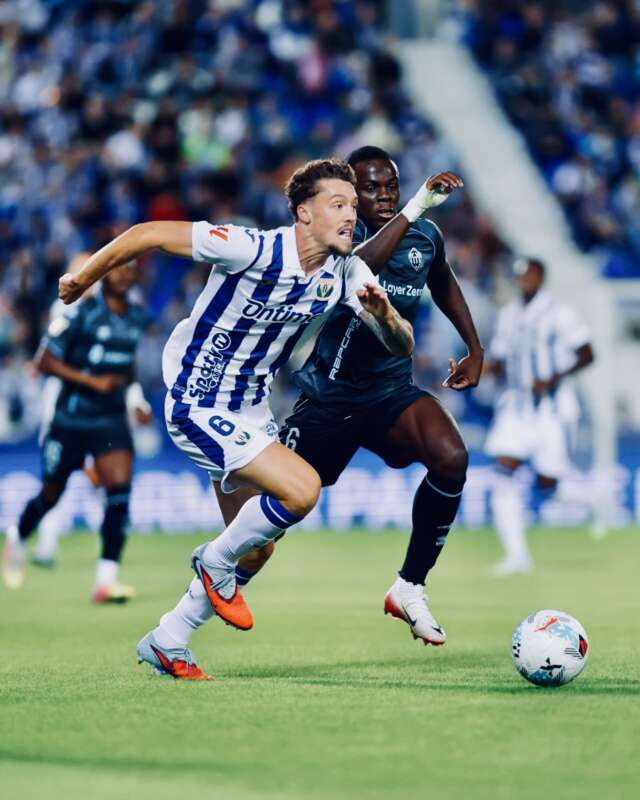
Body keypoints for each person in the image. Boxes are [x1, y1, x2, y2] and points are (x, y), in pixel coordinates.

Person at [55, 158, 417, 680]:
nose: (349, 215)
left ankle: (169, 637)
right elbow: (149, 233)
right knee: (302, 490)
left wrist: (384, 315)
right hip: (197, 401)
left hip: (249, 411)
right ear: (303, 213)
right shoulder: (251, 248)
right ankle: (212, 561)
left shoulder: (347, 272)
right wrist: (82, 278)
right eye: (337, 204)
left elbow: (401, 343)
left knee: (257, 549)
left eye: (353, 207)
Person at [205, 146, 484, 649]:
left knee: (451, 457)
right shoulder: (337, 239)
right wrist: (413, 207)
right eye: (370, 189)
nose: (384, 196)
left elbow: (442, 279)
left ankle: (409, 587)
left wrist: (475, 347)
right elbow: (358, 269)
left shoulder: (423, 235)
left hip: (389, 393)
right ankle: (200, 600)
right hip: (328, 400)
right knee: (266, 529)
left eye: (390, 187)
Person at [2, 263, 152, 601]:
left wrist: (137, 401)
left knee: (119, 494)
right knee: (51, 494)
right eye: (118, 268)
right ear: (105, 272)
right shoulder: (80, 312)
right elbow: (44, 360)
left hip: (110, 418)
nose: (125, 275)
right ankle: (17, 537)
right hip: (71, 418)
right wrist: (91, 381)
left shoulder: (136, 316)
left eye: (130, 269)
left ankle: (105, 582)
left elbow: (126, 365)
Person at [484, 257, 596, 575]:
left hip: (551, 410)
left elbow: (587, 353)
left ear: (541, 278)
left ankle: (594, 499)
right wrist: (478, 369)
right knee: (501, 475)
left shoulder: (560, 313)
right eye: (520, 276)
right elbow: (500, 360)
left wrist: (553, 378)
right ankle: (516, 556)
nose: (524, 281)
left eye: (529, 276)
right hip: (516, 408)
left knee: (549, 486)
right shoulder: (508, 315)